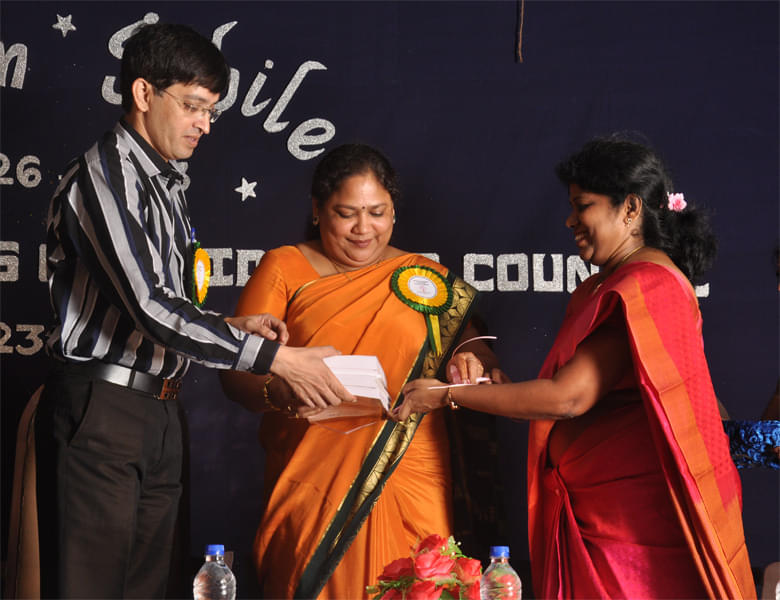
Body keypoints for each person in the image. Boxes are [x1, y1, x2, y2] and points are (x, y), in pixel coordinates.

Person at [34, 23, 351, 599]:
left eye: (212, 111)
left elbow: (156, 303)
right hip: (103, 411)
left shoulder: (165, 185)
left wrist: (231, 328)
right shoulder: (102, 178)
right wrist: (277, 359)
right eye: (193, 106)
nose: (205, 124)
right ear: (142, 94)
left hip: (159, 410)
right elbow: (151, 307)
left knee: (150, 589)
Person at [396, 136, 757, 598]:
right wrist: (494, 387)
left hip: (629, 536)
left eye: (583, 206)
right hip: (594, 514)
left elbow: (568, 397)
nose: (570, 220)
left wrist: (447, 395)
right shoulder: (606, 285)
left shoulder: (646, 284)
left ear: (630, 210)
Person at [219, 143, 497, 598]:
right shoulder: (284, 266)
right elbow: (235, 372)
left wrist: (473, 361)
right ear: (316, 210)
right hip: (313, 478)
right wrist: (283, 391)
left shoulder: (426, 276)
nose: (363, 229)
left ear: (394, 212)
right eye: (347, 213)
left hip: (412, 468)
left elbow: (473, 347)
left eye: (377, 212)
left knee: (422, 583)